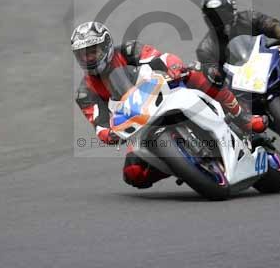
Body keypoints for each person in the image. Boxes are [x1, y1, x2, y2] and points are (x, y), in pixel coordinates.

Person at [72, 21, 266, 189]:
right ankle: (181, 166)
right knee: (134, 173)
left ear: (106, 45)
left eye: (92, 51)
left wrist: (173, 66)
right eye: (82, 54)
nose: (88, 58)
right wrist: (109, 134)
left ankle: (243, 118)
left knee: (201, 73)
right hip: (137, 121)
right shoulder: (85, 92)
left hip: (163, 92)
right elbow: (99, 124)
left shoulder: (128, 50)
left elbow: (161, 57)